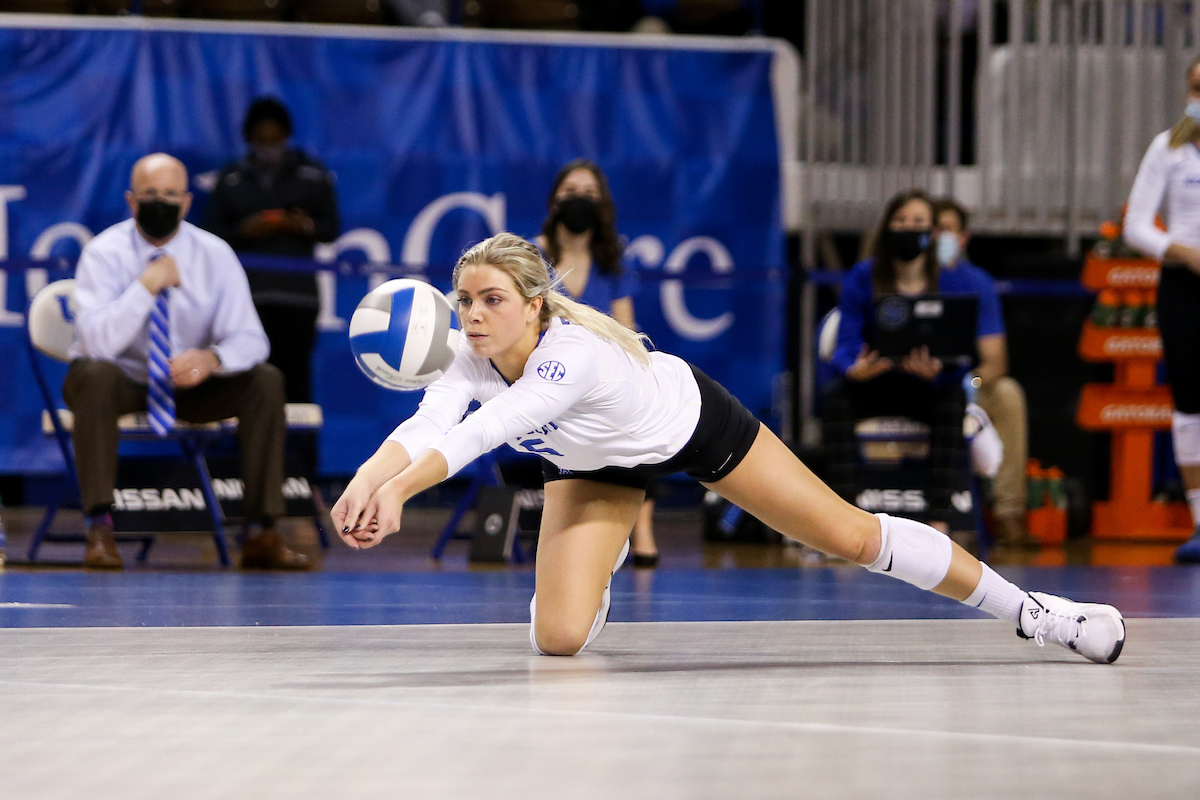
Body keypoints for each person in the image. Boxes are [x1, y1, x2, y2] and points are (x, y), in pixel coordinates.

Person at [331, 232, 1125, 664]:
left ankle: (1033, 613)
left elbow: (479, 435)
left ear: (535, 308)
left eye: (491, 300)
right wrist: (369, 480)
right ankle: (593, 572)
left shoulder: (568, 356)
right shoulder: (468, 356)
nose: (472, 314)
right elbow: (427, 426)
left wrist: (399, 495)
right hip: (592, 465)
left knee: (850, 534)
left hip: (690, 423)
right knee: (559, 640)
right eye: (464, 299)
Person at [67, 153, 309, 571]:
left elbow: (252, 339)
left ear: (187, 202)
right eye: (150, 194)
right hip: (123, 381)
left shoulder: (214, 254)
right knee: (93, 375)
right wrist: (145, 287)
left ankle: (262, 532)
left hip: (189, 385)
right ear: (131, 201)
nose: (160, 202)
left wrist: (211, 358)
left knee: (265, 381)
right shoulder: (103, 253)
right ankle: (99, 527)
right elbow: (96, 343)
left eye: (170, 194)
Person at [823, 189, 998, 535]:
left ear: (932, 232)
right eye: (900, 220)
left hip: (928, 386)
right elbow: (844, 343)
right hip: (876, 381)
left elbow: (963, 355)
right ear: (887, 227)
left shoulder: (956, 280)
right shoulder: (863, 276)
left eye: (918, 221)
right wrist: (854, 368)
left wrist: (942, 370)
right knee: (835, 397)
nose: (907, 228)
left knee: (953, 399)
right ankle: (844, 519)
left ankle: (939, 519)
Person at [535, 159, 657, 567]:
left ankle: (640, 531)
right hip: (549, 378)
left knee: (639, 411)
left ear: (602, 205)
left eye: (589, 194)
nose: (579, 201)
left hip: (603, 380)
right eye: (571, 193)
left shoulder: (613, 259)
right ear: (554, 201)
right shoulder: (531, 258)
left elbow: (626, 328)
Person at [203, 96, 340, 405]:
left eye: (275, 141)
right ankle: (249, 454)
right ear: (248, 139)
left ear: (287, 138)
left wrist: (300, 225)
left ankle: (300, 455)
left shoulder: (313, 174)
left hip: (297, 299)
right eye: (261, 141)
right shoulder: (230, 177)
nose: (268, 148)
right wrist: (244, 231)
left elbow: (330, 229)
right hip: (247, 298)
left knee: (297, 383)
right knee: (248, 381)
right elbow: (209, 235)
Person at [1124, 53, 1200, 563]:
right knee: (1190, 400)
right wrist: (1185, 252)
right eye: (1196, 88)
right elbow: (1136, 226)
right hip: (1184, 284)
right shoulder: (1168, 148)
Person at [933, 197, 1031, 545]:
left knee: (1007, 393)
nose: (937, 237)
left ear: (963, 238)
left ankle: (1008, 513)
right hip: (912, 385)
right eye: (932, 229)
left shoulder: (978, 282)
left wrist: (969, 383)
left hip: (962, 385)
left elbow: (995, 360)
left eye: (946, 230)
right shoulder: (895, 274)